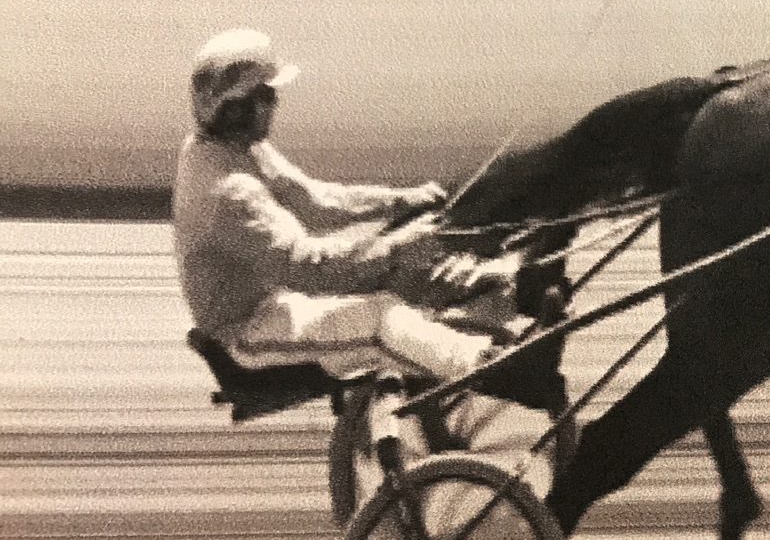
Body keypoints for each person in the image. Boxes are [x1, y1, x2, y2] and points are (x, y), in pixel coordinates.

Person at [173, 27, 519, 386]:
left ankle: (462, 347)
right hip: (248, 331)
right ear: (236, 108)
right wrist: (397, 249)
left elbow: (315, 200)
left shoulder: (232, 147)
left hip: (278, 300)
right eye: (267, 95)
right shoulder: (230, 190)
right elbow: (307, 267)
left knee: (403, 283)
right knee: (379, 318)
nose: (275, 103)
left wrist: (400, 200)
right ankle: (490, 367)